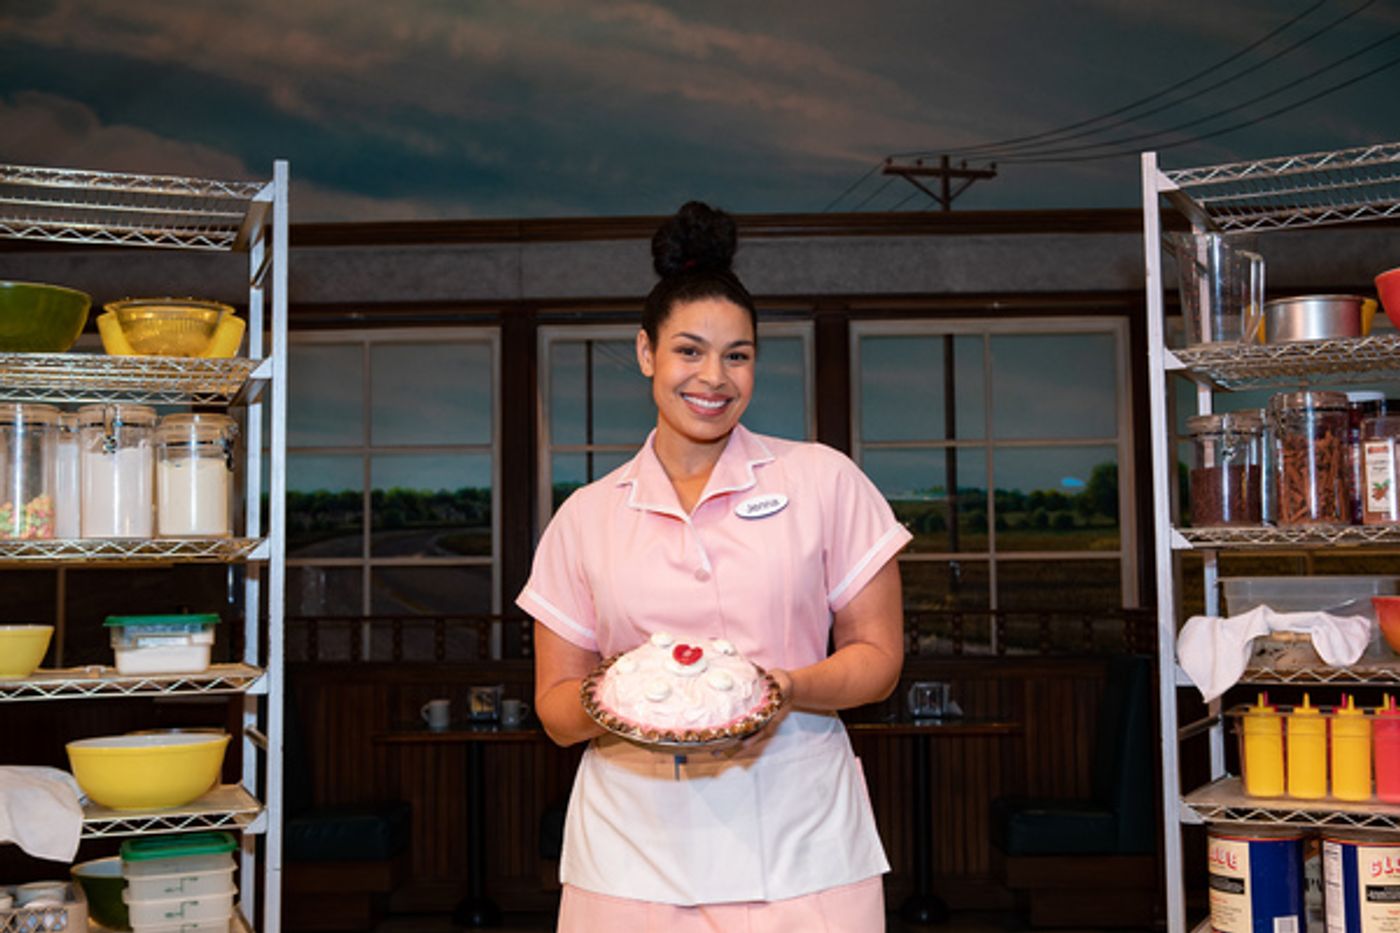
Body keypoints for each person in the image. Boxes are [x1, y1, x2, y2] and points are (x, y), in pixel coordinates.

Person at [517, 200, 911, 931]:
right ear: (646, 353)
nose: (714, 377)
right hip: (631, 857)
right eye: (689, 351)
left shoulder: (822, 479)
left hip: (803, 847)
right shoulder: (586, 516)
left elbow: (880, 660)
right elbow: (557, 712)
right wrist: (637, 698)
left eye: (738, 355)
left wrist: (787, 689)